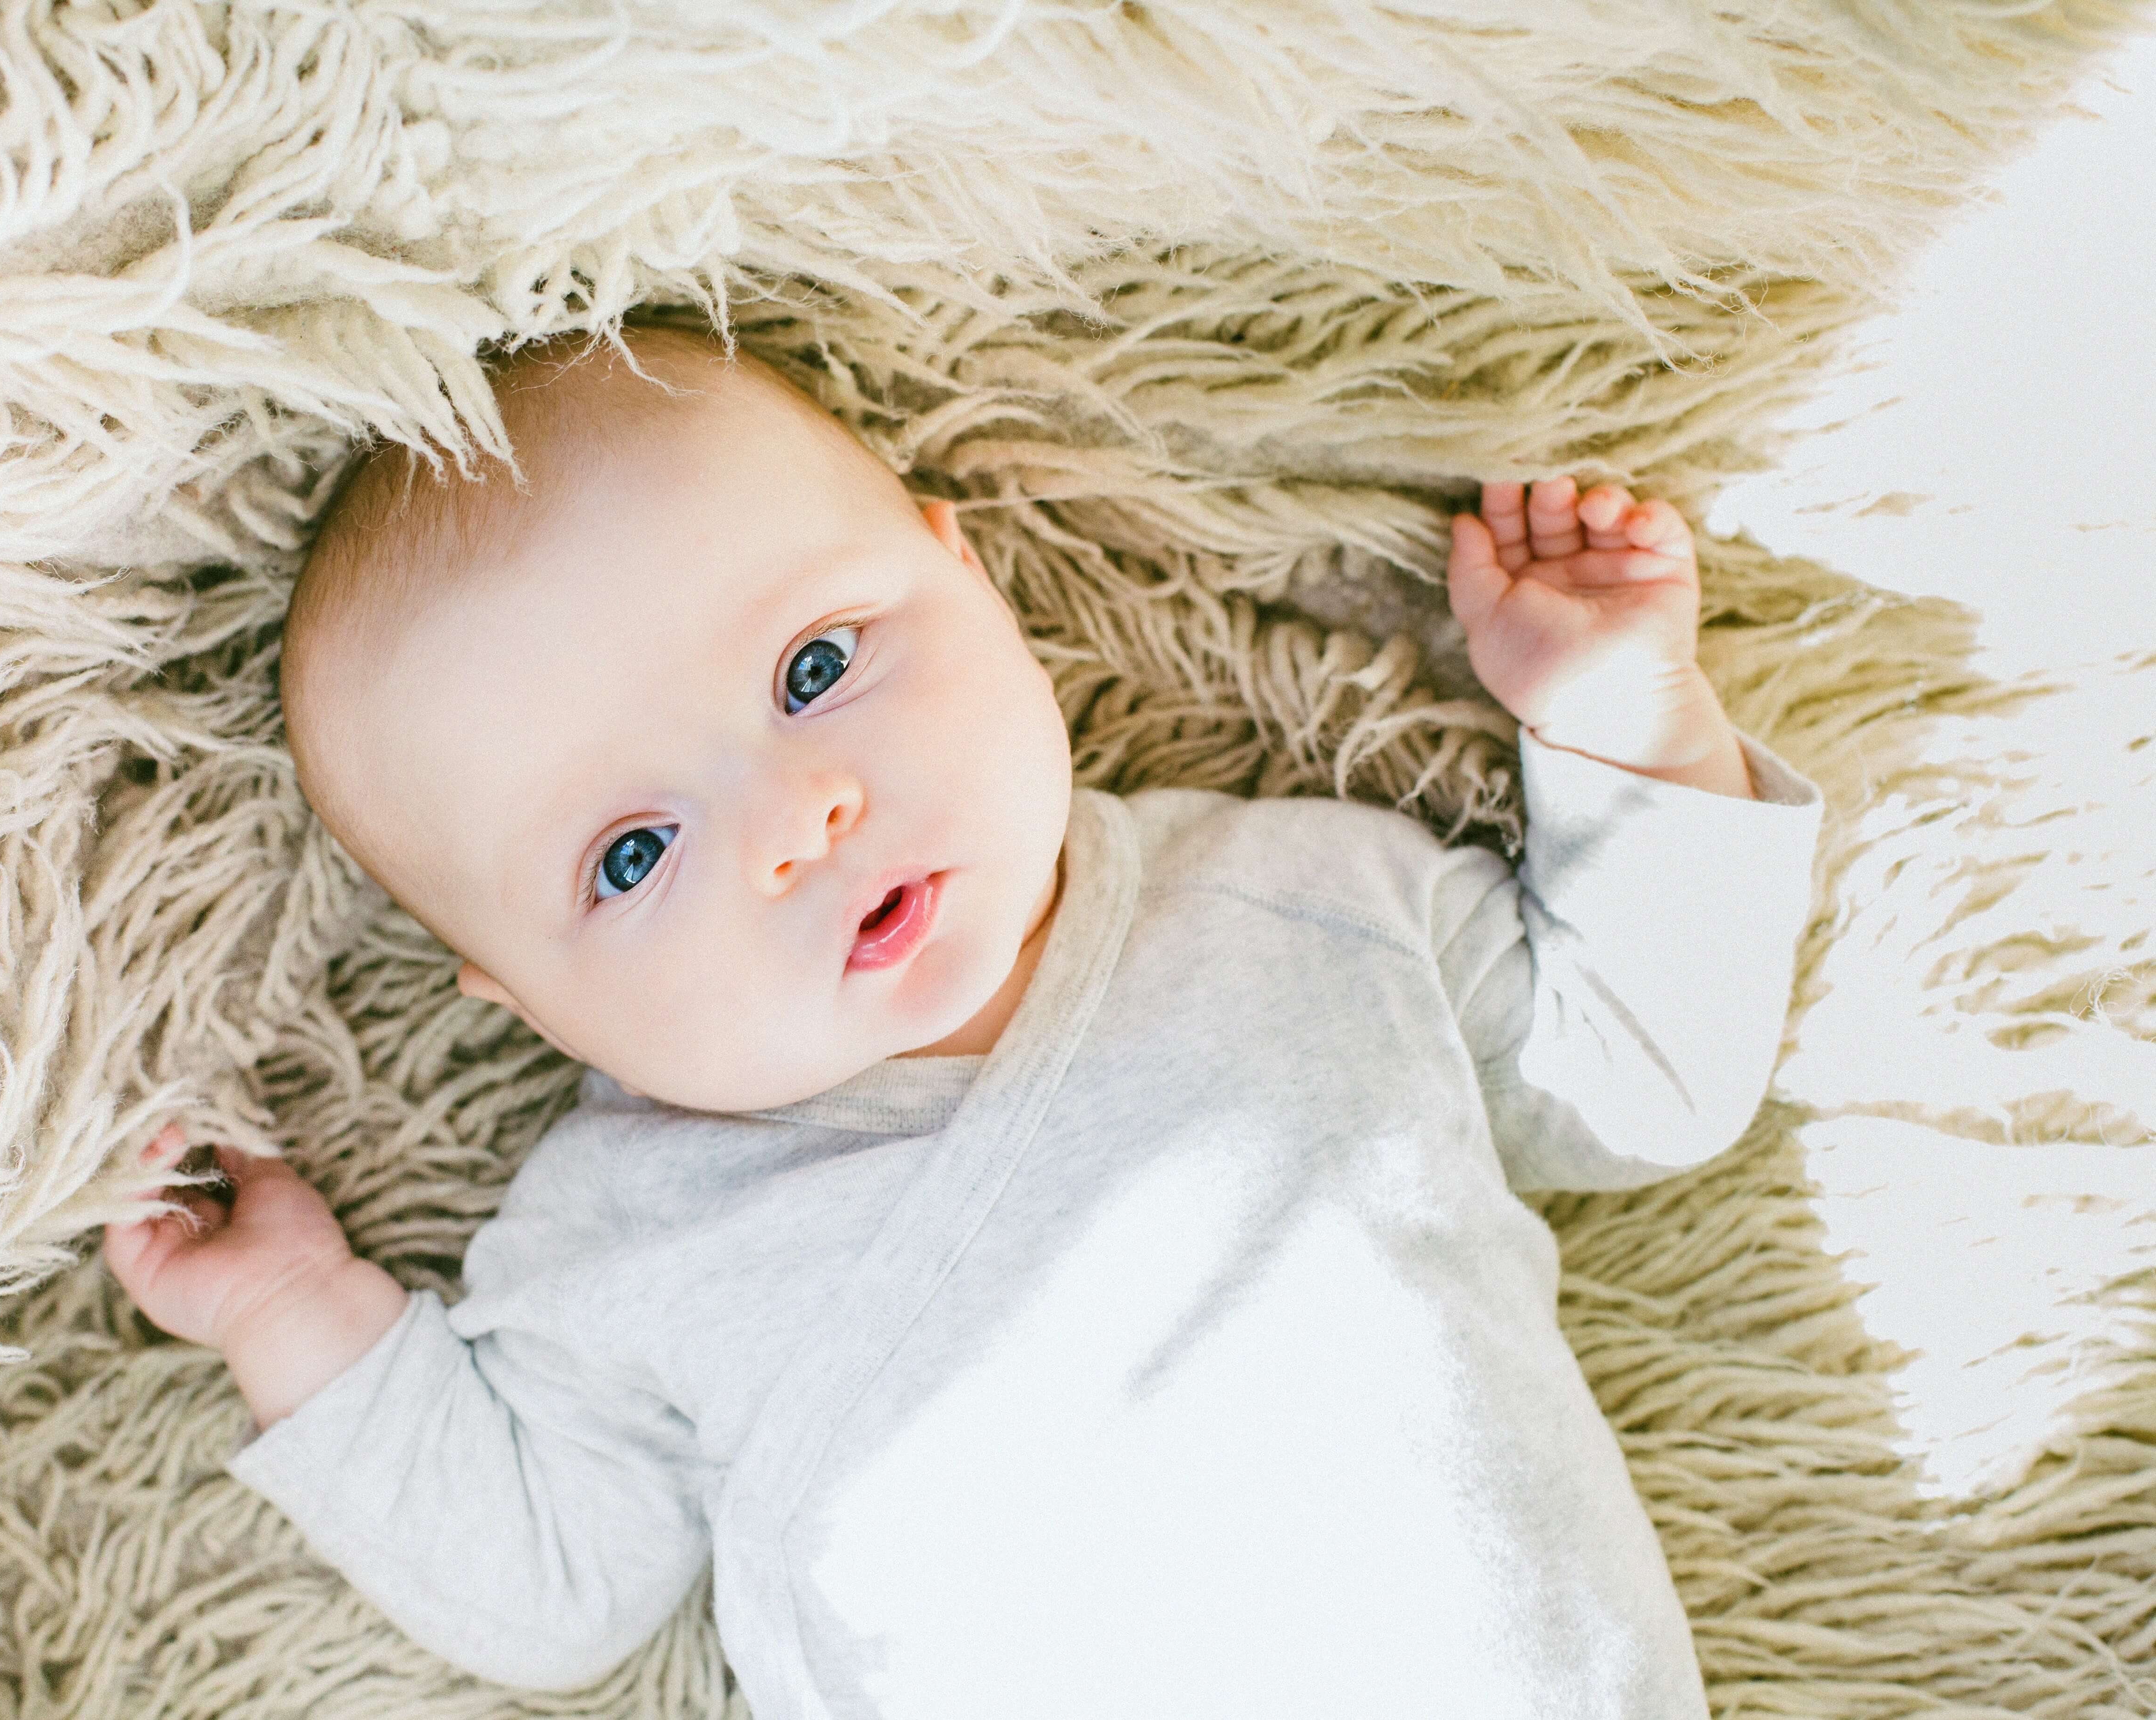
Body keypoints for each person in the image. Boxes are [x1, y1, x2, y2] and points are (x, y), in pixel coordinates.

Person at [102, 323, 1822, 1718]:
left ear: (968, 571)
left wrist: (1622, 730)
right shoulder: (623, 1231)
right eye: (633, 852)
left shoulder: (1309, 907)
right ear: (525, 998)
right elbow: (550, 1582)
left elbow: (1635, 1083)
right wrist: (294, 1310)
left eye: (814, 670)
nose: (800, 816)